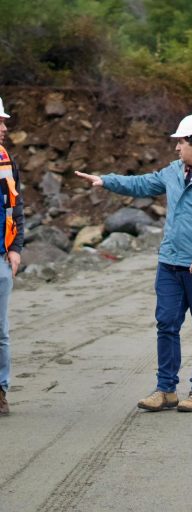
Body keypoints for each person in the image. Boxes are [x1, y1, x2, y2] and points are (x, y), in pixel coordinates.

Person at [75, 114, 192, 413]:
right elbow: (143, 184)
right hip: (170, 262)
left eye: (181, 141)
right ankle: (166, 390)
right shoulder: (174, 171)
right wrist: (106, 181)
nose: (177, 147)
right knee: (166, 324)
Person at [0, 97, 26, 416]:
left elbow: (16, 207)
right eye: (0, 122)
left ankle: (1, 391)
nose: (5, 128)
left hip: (2, 257)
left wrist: (17, 247)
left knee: (0, 332)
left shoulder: (7, 161)